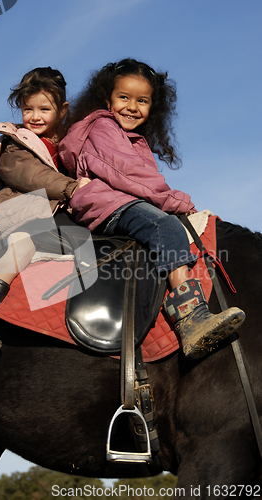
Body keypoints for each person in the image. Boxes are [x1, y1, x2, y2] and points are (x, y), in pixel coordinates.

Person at [59, 58, 245, 360]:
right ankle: (191, 318)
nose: (132, 107)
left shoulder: (133, 139)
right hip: (107, 205)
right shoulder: (102, 127)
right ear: (107, 100)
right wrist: (179, 202)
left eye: (141, 100)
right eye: (124, 98)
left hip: (121, 202)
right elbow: (131, 176)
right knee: (164, 226)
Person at [0, 67, 89, 351]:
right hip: (21, 208)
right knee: (22, 246)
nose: (35, 116)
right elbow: (31, 176)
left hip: (52, 212)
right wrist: (73, 187)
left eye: (44, 108)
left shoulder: (67, 146)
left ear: (63, 110)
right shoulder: (15, 143)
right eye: (28, 109)